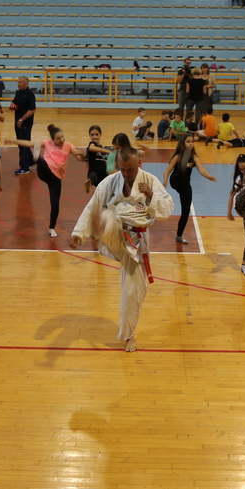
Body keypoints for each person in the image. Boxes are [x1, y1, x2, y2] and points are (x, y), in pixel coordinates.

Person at [70, 147, 174, 353]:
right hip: (115, 235)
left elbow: (167, 209)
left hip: (137, 243)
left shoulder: (150, 180)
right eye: (123, 169)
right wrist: (79, 234)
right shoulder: (109, 182)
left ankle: (128, 336)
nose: (126, 173)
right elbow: (92, 206)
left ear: (139, 164)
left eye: (130, 170)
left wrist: (151, 195)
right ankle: (103, 225)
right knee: (108, 215)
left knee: (133, 292)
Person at [7, 124, 86, 238]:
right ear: (52, 140)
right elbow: (28, 144)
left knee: (55, 204)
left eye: (62, 137)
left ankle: (51, 228)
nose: (61, 140)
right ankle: (37, 158)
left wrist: (81, 155)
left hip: (56, 178)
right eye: (58, 138)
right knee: (43, 162)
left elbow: (79, 157)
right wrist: (13, 141)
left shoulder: (68, 146)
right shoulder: (47, 143)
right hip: (44, 171)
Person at [163, 133, 217, 245]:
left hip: (185, 186)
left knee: (186, 212)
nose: (191, 143)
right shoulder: (177, 157)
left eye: (192, 142)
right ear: (183, 143)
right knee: (181, 172)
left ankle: (179, 236)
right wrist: (165, 180)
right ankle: (184, 160)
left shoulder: (195, 158)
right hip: (175, 181)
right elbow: (168, 170)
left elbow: (202, 170)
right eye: (188, 142)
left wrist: (210, 177)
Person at [10, 76, 37, 175]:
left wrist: (22, 119)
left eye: (20, 82)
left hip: (25, 123)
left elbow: (32, 109)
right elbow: (14, 102)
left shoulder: (30, 94)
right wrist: (12, 105)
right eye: (18, 82)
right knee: (21, 143)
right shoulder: (18, 93)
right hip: (17, 122)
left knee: (24, 144)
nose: (18, 84)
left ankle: (24, 167)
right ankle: (31, 160)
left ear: (26, 83)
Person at [83, 125, 112, 194]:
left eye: (97, 134)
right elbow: (92, 148)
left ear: (100, 135)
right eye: (92, 135)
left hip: (103, 173)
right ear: (89, 136)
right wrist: (107, 151)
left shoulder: (101, 147)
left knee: (106, 186)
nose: (94, 137)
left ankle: (98, 191)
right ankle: (89, 183)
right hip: (94, 171)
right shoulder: (92, 144)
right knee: (93, 177)